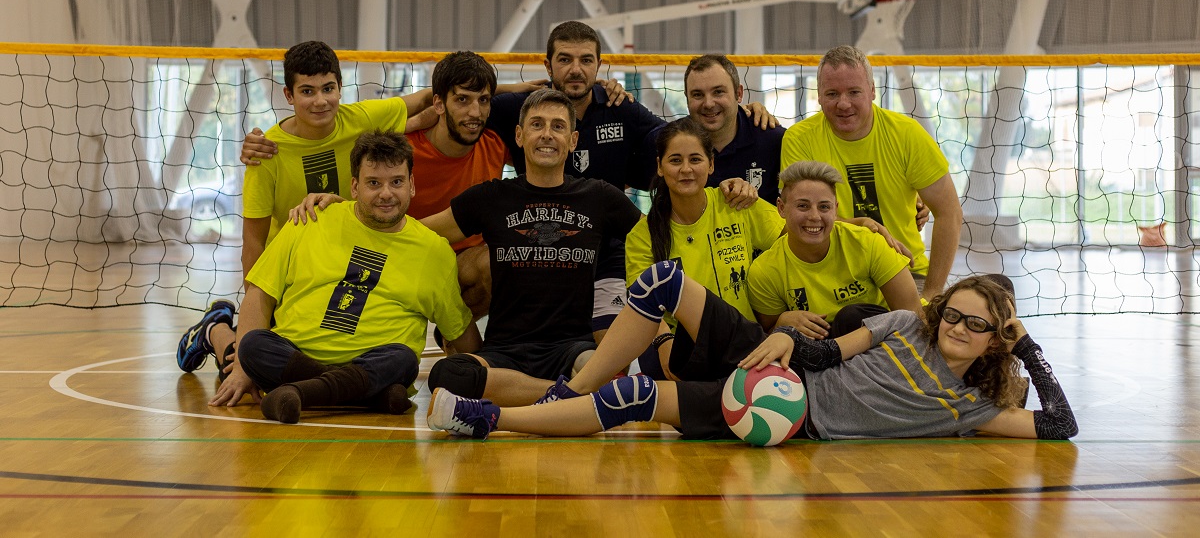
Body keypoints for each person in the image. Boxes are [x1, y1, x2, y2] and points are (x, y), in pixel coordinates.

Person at [427, 267, 1077, 442]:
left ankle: (487, 418)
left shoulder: (967, 408)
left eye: (978, 325)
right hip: (784, 365)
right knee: (662, 281)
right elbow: (830, 355)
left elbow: (1059, 426)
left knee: (633, 400)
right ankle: (566, 394)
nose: (959, 327)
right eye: (955, 313)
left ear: (997, 338)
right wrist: (791, 338)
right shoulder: (906, 323)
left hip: (786, 417)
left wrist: (1034, 351)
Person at [489, 23, 777, 333]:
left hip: (607, 251)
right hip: (539, 245)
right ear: (548, 66)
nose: (576, 69)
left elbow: (680, 139)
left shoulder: (619, 106)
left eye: (586, 60)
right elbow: (459, 102)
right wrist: (508, 89)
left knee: (610, 348)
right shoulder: (519, 108)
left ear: (598, 65)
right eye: (564, 60)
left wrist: (736, 112)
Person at [177, 40, 435, 381]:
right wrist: (258, 310)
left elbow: (430, 97)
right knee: (246, 367)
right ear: (289, 95)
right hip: (288, 270)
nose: (320, 101)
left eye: (328, 89)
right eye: (307, 91)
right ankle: (217, 331)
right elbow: (253, 242)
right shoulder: (266, 154)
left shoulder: (360, 119)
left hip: (342, 259)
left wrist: (512, 90)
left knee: (340, 348)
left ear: (340, 88)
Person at [210, 130, 481, 421]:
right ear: (354, 186)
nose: (386, 193)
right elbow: (260, 294)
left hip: (374, 361)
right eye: (373, 183)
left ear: (412, 185)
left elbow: (458, 329)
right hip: (302, 356)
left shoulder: (434, 251)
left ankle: (299, 394)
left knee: (401, 360)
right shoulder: (310, 218)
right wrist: (242, 369)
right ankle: (365, 396)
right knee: (253, 346)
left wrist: (485, 367)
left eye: (397, 182)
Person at [420, 89, 643, 406]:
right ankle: (564, 396)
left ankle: (526, 393)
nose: (547, 135)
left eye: (558, 126)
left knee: (606, 374)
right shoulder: (491, 197)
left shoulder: (599, 196)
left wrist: (721, 195)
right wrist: (349, 210)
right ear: (520, 136)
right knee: (446, 376)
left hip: (571, 349)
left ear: (573, 139)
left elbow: (657, 234)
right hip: (503, 350)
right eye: (537, 125)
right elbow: (418, 232)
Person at [279, 51, 508, 320]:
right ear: (438, 103)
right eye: (462, 100)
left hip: (461, 265)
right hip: (398, 259)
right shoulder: (398, 151)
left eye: (484, 100)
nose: (475, 112)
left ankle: (464, 345)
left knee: (502, 259)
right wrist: (269, 143)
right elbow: (321, 140)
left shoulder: (497, 143)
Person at [780, 45, 963, 299]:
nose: (843, 104)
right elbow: (797, 217)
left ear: (873, 91)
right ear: (819, 96)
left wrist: (932, 293)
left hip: (906, 271)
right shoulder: (799, 139)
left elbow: (949, 213)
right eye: (832, 93)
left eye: (854, 92)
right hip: (833, 278)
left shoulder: (906, 134)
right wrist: (863, 226)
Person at [624, 119, 784, 379]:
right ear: (660, 167)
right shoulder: (642, 236)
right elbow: (642, 307)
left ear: (711, 164)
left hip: (747, 343)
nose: (686, 169)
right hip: (685, 348)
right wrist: (664, 343)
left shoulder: (736, 203)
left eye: (695, 160)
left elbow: (797, 238)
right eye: (675, 160)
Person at [747, 161, 922, 340]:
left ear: (835, 209)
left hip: (885, 338)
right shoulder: (764, 271)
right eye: (803, 206)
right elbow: (768, 338)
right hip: (821, 348)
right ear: (781, 208)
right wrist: (782, 322)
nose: (814, 216)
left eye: (824, 207)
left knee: (851, 317)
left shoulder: (867, 242)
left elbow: (913, 319)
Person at [640, 54, 786, 202]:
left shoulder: (775, 140)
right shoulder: (663, 141)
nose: (708, 103)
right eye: (697, 94)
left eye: (718, 92)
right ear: (687, 99)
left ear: (739, 94)